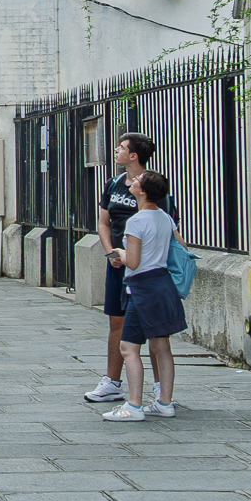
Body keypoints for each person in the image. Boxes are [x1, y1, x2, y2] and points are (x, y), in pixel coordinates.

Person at [86, 133, 180, 403]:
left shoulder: (152, 187)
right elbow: (103, 222)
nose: (116, 150)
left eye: (122, 147)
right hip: (119, 265)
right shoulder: (114, 184)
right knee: (116, 322)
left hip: (144, 270)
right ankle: (112, 382)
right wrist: (110, 252)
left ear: (134, 155)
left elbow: (171, 230)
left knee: (155, 330)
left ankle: (160, 389)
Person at [104, 171, 183, 422]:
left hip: (142, 288)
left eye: (138, 181)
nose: (134, 181)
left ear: (143, 191)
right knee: (161, 346)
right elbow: (181, 247)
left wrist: (118, 252)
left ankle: (134, 406)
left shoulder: (136, 221)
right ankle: (165, 403)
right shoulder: (165, 218)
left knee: (128, 348)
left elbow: (133, 262)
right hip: (163, 285)